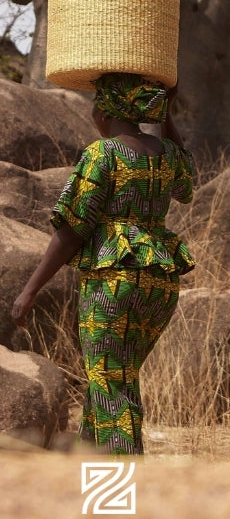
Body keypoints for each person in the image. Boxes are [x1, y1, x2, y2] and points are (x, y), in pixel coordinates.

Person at [11, 74, 195, 455]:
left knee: (110, 381)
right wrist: (168, 115)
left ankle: (123, 486)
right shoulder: (164, 153)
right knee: (115, 380)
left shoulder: (103, 154)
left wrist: (30, 290)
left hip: (115, 278)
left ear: (107, 109)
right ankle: (93, 483)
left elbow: (72, 230)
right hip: (160, 279)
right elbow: (187, 185)